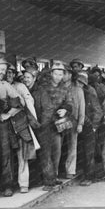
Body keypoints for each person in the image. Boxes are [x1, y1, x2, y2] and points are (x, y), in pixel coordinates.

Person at [0, 57, 28, 197]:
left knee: (5, 154)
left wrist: (8, 115)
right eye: (1, 69)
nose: (3, 72)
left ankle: (8, 185)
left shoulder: (5, 85)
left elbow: (21, 102)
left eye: (5, 70)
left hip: (1, 124)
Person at [33, 61, 73, 191]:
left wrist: (65, 110)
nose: (58, 77)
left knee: (57, 151)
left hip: (57, 124)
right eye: (55, 74)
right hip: (44, 124)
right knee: (45, 152)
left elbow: (69, 103)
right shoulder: (42, 87)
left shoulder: (65, 88)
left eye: (60, 74)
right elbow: (38, 106)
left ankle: (54, 176)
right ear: (51, 74)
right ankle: (47, 180)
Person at [7, 64, 38, 193]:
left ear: (14, 74)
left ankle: (23, 184)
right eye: (6, 72)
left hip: (20, 124)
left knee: (22, 155)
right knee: (7, 156)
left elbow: (29, 102)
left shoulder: (20, 86)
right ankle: (9, 183)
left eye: (11, 73)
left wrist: (33, 121)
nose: (8, 75)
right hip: (5, 125)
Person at [75, 71, 104, 186]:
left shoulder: (90, 93)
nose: (79, 85)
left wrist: (94, 126)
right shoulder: (75, 93)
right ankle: (85, 174)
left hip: (89, 127)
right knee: (82, 152)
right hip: (79, 127)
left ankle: (90, 176)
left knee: (89, 153)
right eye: (78, 82)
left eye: (82, 83)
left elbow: (98, 111)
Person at [62, 64, 85, 179]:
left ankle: (70, 170)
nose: (62, 76)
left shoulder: (78, 90)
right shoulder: (57, 88)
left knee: (72, 146)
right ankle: (59, 170)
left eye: (64, 73)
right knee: (60, 147)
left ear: (70, 75)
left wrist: (80, 123)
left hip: (73, 121)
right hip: (59, 122)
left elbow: (82, 108)